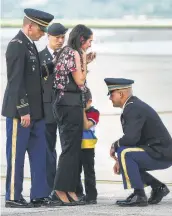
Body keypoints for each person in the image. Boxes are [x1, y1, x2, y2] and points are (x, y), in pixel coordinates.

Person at [1, 8, 54, 208]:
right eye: (41, 30)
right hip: (20, 113)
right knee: (17, 156)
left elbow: (36, 74)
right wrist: (23, 110)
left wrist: (55, 65)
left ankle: (39, 194)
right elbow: (16, 82)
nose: (42, 34)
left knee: (40, 155)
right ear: (29, 26)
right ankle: (13, 196)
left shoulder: (30, 45)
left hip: (36, 113)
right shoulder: (17, 45)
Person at [47, 24, 96, 206]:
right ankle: (61, 189)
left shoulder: (64, 52)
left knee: (71, 148)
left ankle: (69, 190)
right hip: (70, 104)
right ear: (82, 39)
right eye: (89, 41)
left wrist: (83, 61)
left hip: (63, 104)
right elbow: (80, 80)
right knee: (70, 149)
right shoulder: (74, 53)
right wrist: (83, 59)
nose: (90, 45)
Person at [104, 78, 172, 207]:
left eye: (111, 94)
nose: (110, 98)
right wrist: (120, 161)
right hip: (158, 151)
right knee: (123, 154)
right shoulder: (133, 105)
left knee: (124, 153)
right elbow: (134, 139)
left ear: (121, 94)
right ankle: (158, 187)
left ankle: (139, 195)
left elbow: (131, 139)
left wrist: (115, 145)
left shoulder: (133, 108)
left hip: (161, 153)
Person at [39, 23, 68, 190]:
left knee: (68, 151)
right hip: (47, 110)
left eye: (63, 37)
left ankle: (66, 187)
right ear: (47, 36)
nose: (60, 40)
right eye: (57, 37)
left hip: (66, 109)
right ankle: (50, 188)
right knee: (48, 151)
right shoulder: (39, 57)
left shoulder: (68, 56)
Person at [76, 88, 100, 204]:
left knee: (89, 171)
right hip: (75, 145)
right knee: (75, 171)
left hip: (87, 146)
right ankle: (78, 193)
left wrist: (81, 110)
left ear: (89, 101)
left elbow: (86, 126)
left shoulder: (94, 113)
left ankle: (91, 196)